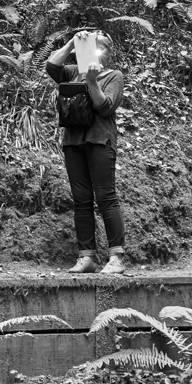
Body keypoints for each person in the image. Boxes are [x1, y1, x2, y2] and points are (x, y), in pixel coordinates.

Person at [46, 30, 126, 275]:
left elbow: (105, 107)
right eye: (92, 47)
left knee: (105, 197)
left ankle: (116, 258)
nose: (97, 52)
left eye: (102, 48)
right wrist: (72, 42)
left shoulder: (113, 76)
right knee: (81, 200)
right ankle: (87, 257)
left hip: (100, 141)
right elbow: (51, 66)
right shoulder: (72, 72)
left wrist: (91, 81)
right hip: (73, 141)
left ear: (108, 53)